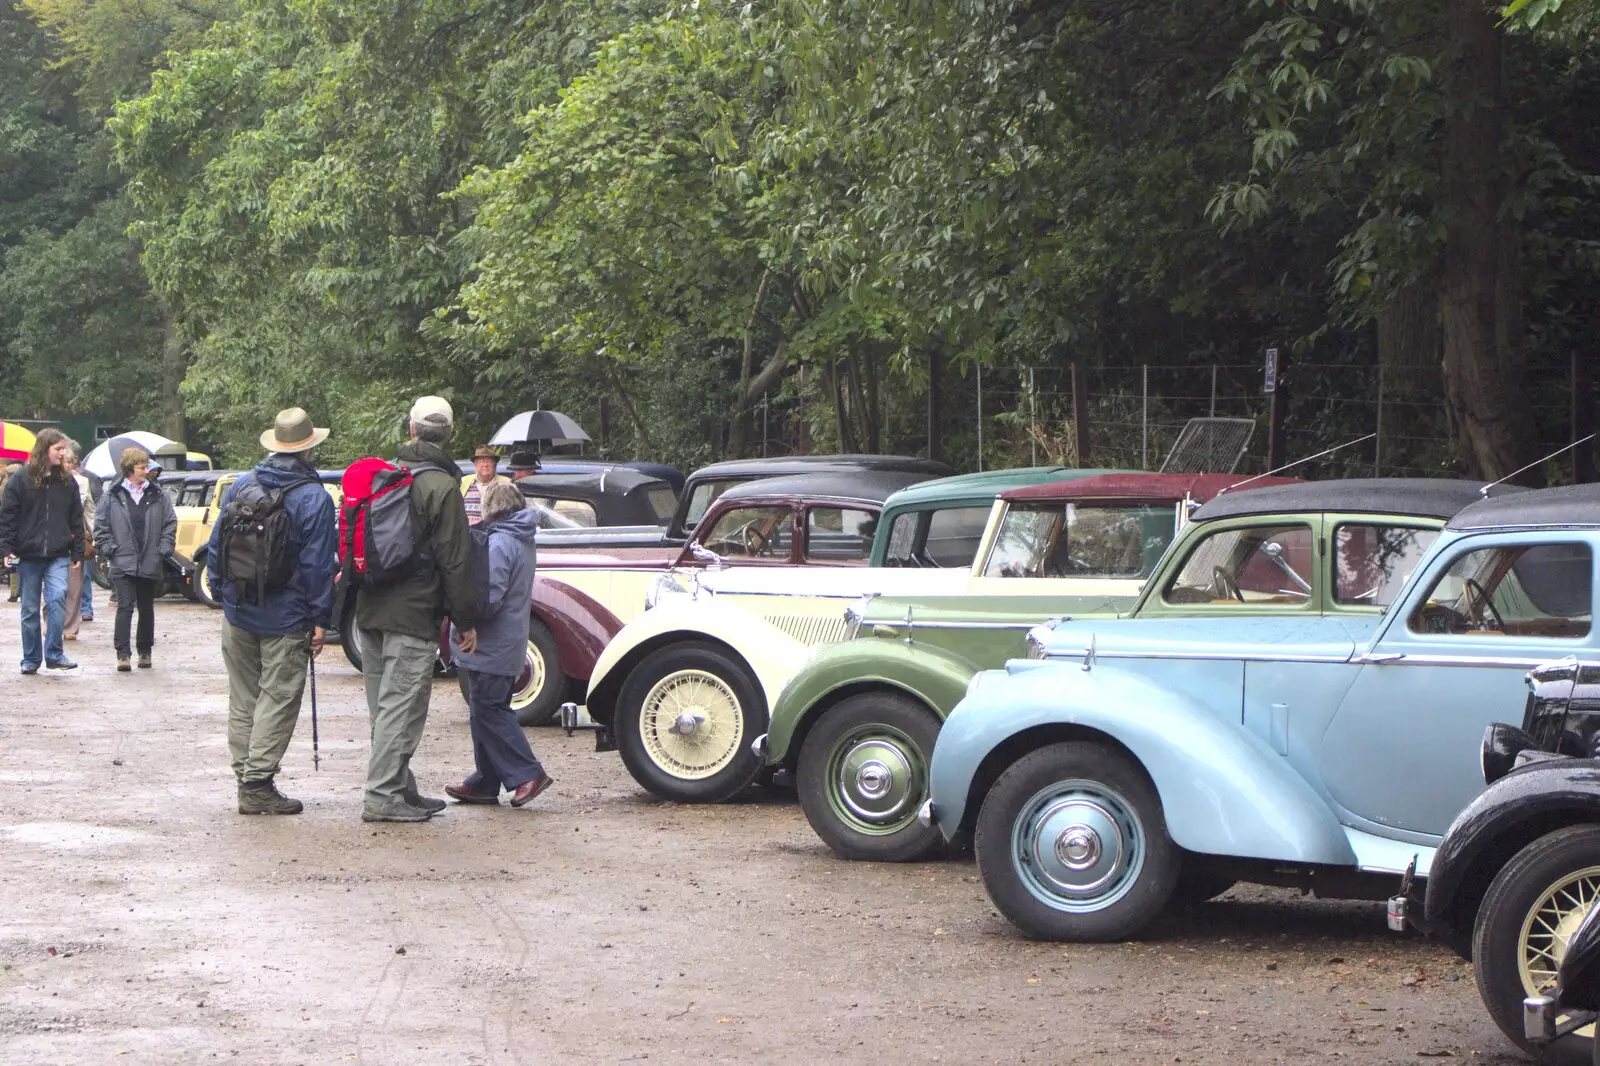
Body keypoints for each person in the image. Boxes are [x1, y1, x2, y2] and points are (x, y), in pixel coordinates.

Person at [206, 408, 338, 815]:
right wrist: (320, 620)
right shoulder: (313, 497)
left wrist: (221, 590)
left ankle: (245, 776)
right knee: (277, 701)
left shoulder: (243, 485)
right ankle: (257, 785)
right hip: (286, 617)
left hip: (239, 609)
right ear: (308, 449)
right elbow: (318, 565)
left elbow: (217, 543)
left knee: (243, 699)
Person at [356, 396, 479, 823]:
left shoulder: (380, 477)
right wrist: (466, 620)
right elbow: (456, 559)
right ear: (448, 435)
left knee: (384, 708)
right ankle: (381, 797)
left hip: (369, 610)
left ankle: (401, 788)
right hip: (413, 615)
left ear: (410, 430)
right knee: (402, 708)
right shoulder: (443, 487)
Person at [446, 480, 552, 807]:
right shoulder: (522, 538)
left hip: (491, 643)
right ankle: (486, 780)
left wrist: (465, 618)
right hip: (508, 641)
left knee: (490, 709)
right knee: (483, 709)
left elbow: (490, 596)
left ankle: (527, 773)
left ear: (490, 508)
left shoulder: (500, 543)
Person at [0, 428, 85, 673]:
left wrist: (77, 550)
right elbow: (8, 516)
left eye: (64, 449)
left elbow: (76, 518)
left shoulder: (67, 481)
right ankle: (31, 658)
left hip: (58, 553)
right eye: (58, 449)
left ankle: (54, 654)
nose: (63, 453)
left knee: (58, 598)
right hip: (28, 555)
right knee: (29, 609)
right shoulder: (20, 479)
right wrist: (6, 548)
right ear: (44, 448)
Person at [93, 446, 177, 671]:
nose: (146, 470)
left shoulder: (158, 494)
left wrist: (164, 547)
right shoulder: (112, 494)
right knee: (125, 606)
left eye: (146, 466)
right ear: (130, 469)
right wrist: (109, 548)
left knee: (146, 607)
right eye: (142, 467)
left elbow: (170, 522)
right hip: (122, 559)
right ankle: (123, 654)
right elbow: (100, 525)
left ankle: (145, 651)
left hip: (150, 557)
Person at [62, 443, 96, 638]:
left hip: (77, 537)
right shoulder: (48, 481)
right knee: (56, 586)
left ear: (74, 462)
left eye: (69, 461)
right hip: (55, 540)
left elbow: (90, 510)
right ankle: (52, 621)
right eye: (63, 461)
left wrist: (96, 537)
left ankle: (72, 625)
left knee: (78, 582)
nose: (66, 465)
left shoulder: (82, 482)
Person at [459, 444, 510, 526]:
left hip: (496, 533)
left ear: (495, 464)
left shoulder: (507, 483)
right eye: (481, 461)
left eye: (489, 461)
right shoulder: (463, 482)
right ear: (475, 464)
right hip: (468, 535)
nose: (485, 465)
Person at [2, 461, 19, 602]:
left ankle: (14, 591)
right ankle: (18, 590)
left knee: (14, 561)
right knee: (19, 561)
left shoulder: (5, 486)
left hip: (10, 528)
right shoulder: (19, 485)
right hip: (20, 529)